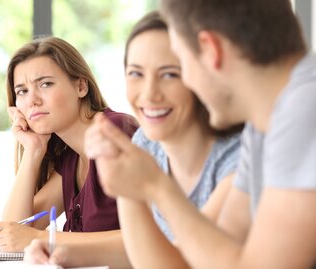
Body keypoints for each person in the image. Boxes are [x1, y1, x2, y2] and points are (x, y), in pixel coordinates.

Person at [80, 0, 316, 268]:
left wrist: (156, 186)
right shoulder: (262, 126)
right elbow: (206, 262)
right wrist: (129, 185)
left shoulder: (305, 109)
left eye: (179, 64)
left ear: (210, 49)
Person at [23, 12, 242, 267]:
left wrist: (151, 184)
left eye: (170, 74)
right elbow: (144, 248)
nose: (149, 94)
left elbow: (188, 257)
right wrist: (62, 252)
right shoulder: (146, 144)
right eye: (136, 74)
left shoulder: (238, 158)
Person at [0, 37, 138, 268]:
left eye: (45, 84)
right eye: (22, 91)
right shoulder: (71, 155)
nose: (32, 101)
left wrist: (41, 239)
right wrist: (34, 150)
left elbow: (144, 241)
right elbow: (13, 230)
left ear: (80, 86)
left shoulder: (115, 133)